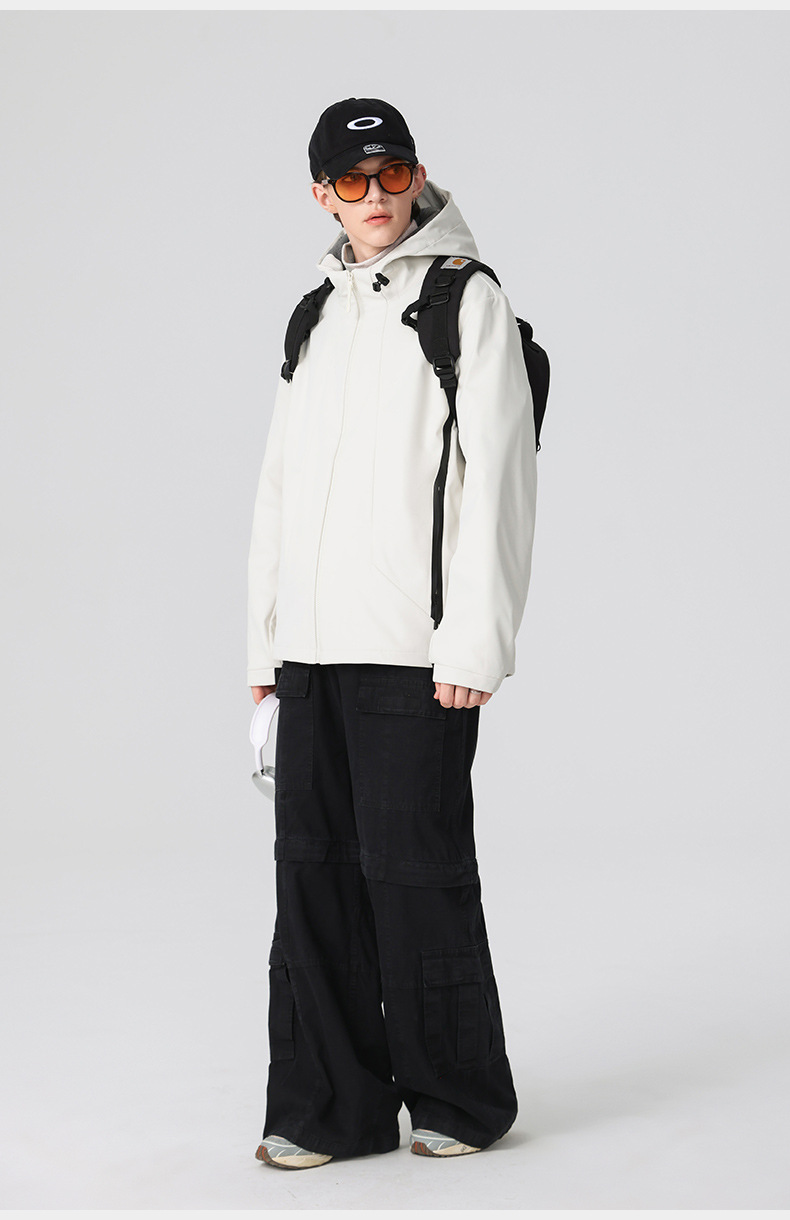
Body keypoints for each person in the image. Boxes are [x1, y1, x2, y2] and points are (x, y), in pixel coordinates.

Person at [247, 97, 538, 1170]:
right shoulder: (313, 317)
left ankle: (459, 1096)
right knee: (311, 876)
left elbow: (499, 481)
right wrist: (265, 648)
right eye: (352, 180)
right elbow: (277, 493)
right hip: (312, 650)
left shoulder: (466, 299)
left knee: (416, 875)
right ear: (321, 194)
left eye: (393, 173)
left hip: (415, 650)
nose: (376, 197)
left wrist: (474, 643)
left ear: (417, 174)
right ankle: (331, 1107)